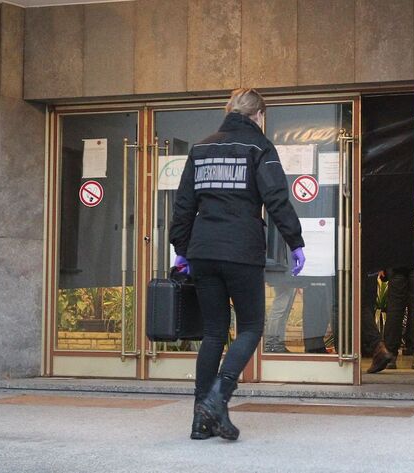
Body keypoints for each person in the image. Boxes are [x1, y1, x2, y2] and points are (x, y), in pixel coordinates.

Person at [170, 88, 306, 440]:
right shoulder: (259, 147)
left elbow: (183, 204)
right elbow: (276, 198)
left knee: (214, 332)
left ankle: (200, 421)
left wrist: (181, 249)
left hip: (203, 249)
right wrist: (295, 241)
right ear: (258, 114)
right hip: (241, 250)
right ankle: (218, 396)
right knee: (250, 327)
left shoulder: (200, 148)